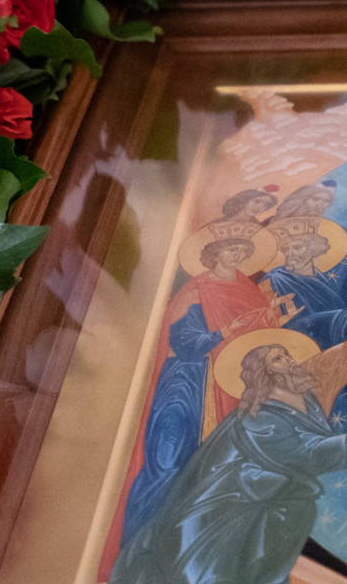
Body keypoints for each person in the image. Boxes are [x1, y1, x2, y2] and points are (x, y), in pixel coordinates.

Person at [101, 327, 347, 584]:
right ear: (265, 372)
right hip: (219, 516)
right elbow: (305, 453)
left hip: (268, 501)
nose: (290, 360)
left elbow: (328, 366)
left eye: (286, 354)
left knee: (295, 511)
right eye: (279, 358)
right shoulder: (259, 417)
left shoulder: (301, 399)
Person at [107, 234, 277, 564]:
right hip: (185, 383)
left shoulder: (249, 291)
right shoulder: (194, 292)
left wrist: (268, 318)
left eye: (243, 250)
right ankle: (138, 551)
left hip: (228, 388)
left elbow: (261, 339)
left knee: (216, 470)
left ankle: (192, 553)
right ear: (214, 253)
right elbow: (184, 343)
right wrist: (226, 331)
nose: (238, 254)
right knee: (167, 460)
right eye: (231, 248)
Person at [266, 226, 347, 348]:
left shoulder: (322, 280)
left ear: (313, 249)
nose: (290, 254)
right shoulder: (273, 280)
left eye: (297, 247)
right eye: (286, 249)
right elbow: (272, 327)